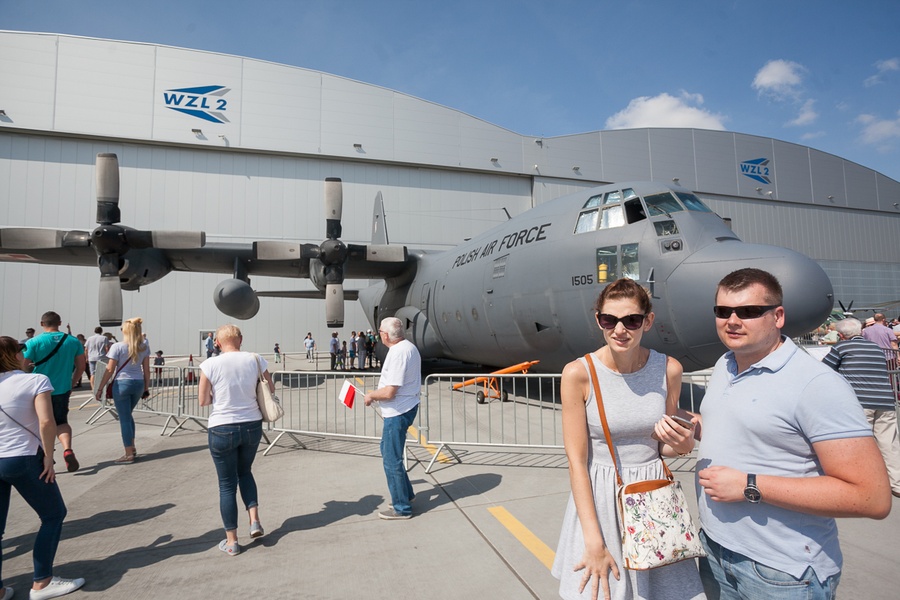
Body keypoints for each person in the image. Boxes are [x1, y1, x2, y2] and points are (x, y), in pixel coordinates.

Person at [696, 268, 891, 599]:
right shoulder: (725, 365)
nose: (733, 321)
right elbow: (748, 431)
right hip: (715, 550)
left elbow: (871, 497)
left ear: (778, 316)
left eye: (749, 311)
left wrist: (749, 485)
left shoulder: (816, 384)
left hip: (781, 572)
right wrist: (689, 427)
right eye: (723, 311)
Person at [551, 278, 704, 600]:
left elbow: (664, 445)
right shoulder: (579, 374)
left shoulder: (669, 369)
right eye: (609, 320)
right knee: (604, 589)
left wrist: (683, 444)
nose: (620, 330)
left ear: (648, 321)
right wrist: (594, 540)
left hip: (653, 496)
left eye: (631, 320)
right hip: (601, 497)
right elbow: (576, 461)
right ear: (599, 321)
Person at [0, 336, 85, 600]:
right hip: (24, 457)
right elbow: (47, 422)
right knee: (53, 515)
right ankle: (42, 582)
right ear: (16, 355)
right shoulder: (36, 380)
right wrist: (48, 456)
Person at [198, 324, 272, 556]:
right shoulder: (255, 359)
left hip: (222, 427)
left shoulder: (210, 364)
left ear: (218, 343)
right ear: (240, 339)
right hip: (251, 425)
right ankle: (255, 520)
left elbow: (203, 400)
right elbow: (270, 387)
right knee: (245, 472)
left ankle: (232, 541)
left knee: (227, 484)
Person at [822, 317, 900, 498]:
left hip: (858, 403)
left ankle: (864, 482)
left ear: (841, 335)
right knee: (889, 443)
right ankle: (896, 483)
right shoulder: (876, 348)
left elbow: (824, 370)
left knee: (859, 444)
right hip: (885, 401)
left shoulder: (841, 348)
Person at [364, 317, 422, 520]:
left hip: (397, 412)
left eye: (380, 331)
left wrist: (371, 395)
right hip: (405, 407)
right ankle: (406, 495)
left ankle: (401, 508)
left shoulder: (398, 353)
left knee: (391, 460)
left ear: (386, 335)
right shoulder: (409, 347)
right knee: (389, 452)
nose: (378, 334)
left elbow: (390, 392)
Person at [22, 311, 85, 474]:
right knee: (61, 422)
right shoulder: (73, 341)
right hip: (62, 388)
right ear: (60, 323)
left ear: (42, 324)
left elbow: (23, 365)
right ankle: (67, 449)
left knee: (41, 423)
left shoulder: (33, 342)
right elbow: (81, 366)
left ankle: (46, 453)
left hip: (39, 390)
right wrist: (71, 383)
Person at [94, 318, 150, 464]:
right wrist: (146, 388)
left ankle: (128, 453)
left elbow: (109, 369)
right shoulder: (143, 347)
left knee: (124, 418)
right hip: (138, 382)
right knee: (128, 415)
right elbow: (147, 370)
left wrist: (100, 388)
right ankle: (132, 447)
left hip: (122, 383)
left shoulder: (117, 347)